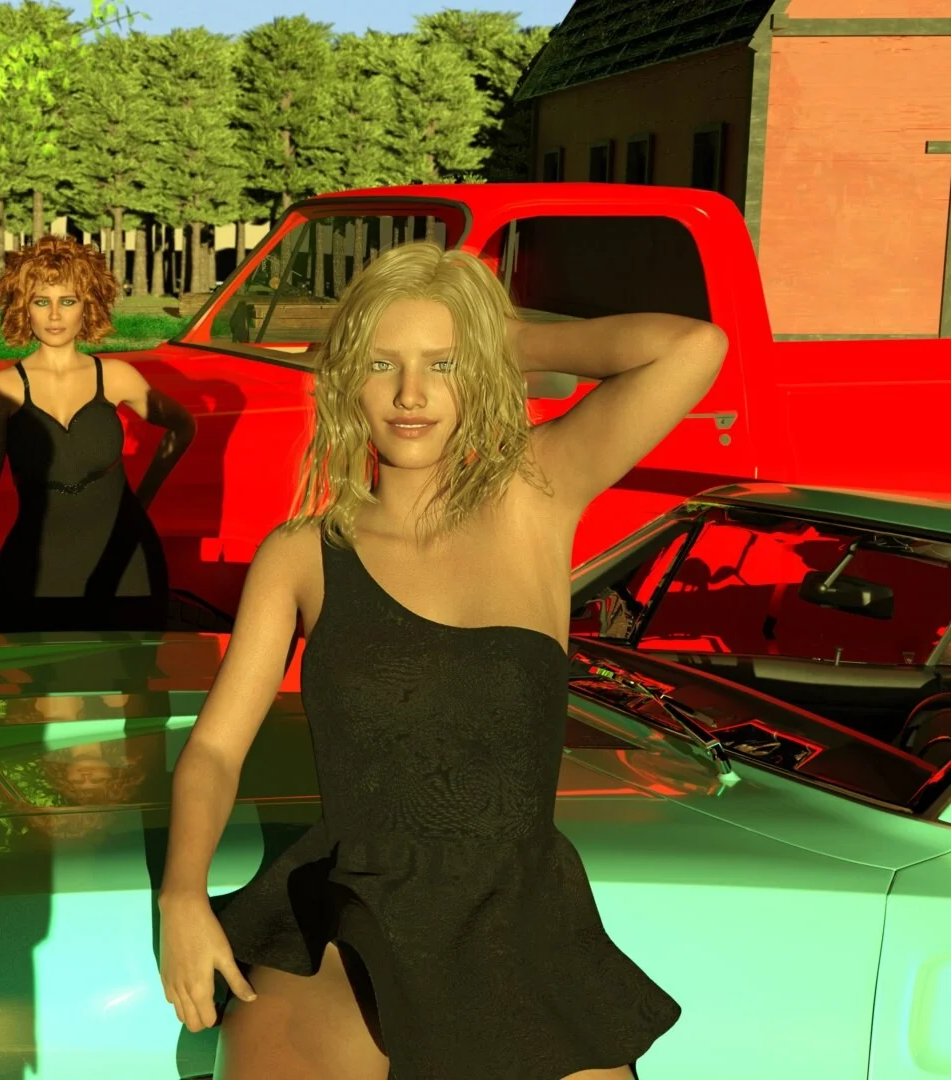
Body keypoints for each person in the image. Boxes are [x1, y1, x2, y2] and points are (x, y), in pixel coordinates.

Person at [156, 241, 724, 1079]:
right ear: (347, 379)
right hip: (345, 928)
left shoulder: (536, 496)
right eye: (382, 362)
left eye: (442, 364)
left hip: (524, 927)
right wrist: (181, 894)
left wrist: (496, 335)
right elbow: (213, 748)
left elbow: (691, 348)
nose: (411, 394)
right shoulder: (303, 554)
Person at [0, 235, 195, 635]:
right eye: (41, 301)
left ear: (87, 304)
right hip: (35, 574)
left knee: (130, 675)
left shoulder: (117, 377)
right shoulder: (3, 389)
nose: (54, 315)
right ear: (23, 306)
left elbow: (183, 426)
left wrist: (141, 501)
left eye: (68, 300)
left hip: (126, 570)